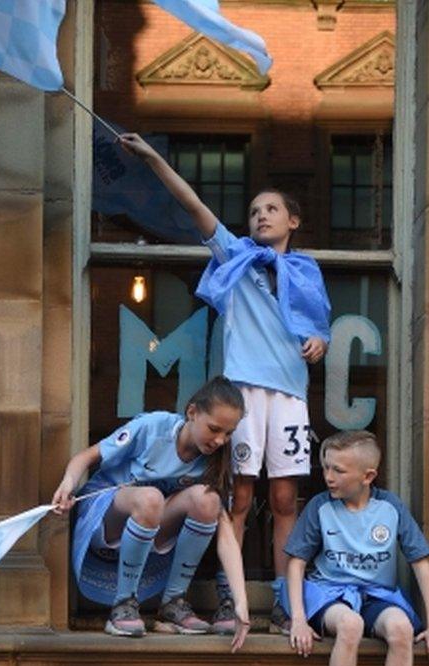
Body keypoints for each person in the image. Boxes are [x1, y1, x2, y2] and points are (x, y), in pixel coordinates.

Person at [118, 133, 331, 636]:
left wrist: (320, 339)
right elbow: (192, 205)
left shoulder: (304, 271)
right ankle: (228, 601)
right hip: (243, 395)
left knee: (284, 502)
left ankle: (283, 601)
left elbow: (318, 321)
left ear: (292, 221)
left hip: (290, 397)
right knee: (236, 498)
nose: (261, 216)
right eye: (255, 210)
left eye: (272, 209)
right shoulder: (234, 258)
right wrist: (152, 159)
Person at [280, 429, 429, 666]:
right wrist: (298, 617)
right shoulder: (320, 507)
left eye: (338, 470)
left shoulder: (390, 508)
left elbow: (420, 563)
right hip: (328, 592)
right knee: (350, 624)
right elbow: (296, 563)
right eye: (326, 467)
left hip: (375, 594)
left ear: (368, 476)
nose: (328, 476)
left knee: (400, 627)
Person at [52, 376, 251, 647]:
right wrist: (67, 485)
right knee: (151, 497)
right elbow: (86, 457)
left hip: (149, 530)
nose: (219, 440)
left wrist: (241, 602)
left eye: (228, 433)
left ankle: (173, 602)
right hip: (104, 519)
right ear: (192, 412)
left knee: (208, 501)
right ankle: (123, 604)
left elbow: (226, 534)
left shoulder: (213, 461)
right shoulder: (152, 427)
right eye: (214, 428)